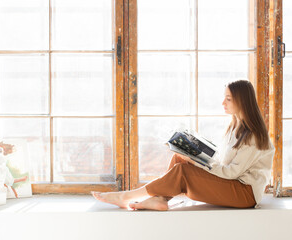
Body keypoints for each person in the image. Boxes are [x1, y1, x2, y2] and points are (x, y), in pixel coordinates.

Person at [92, 80, 275, 210]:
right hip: (234, 184)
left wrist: (199, 163)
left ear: (242, 100)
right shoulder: (234, 127)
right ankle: (161, 199)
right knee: (180, 158)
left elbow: (233, 172)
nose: (223, 103)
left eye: (228, 99)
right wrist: (196, 155)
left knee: (183, 171)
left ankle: (127, 196)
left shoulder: (254, 136)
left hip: (245, 193)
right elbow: (223, 161)